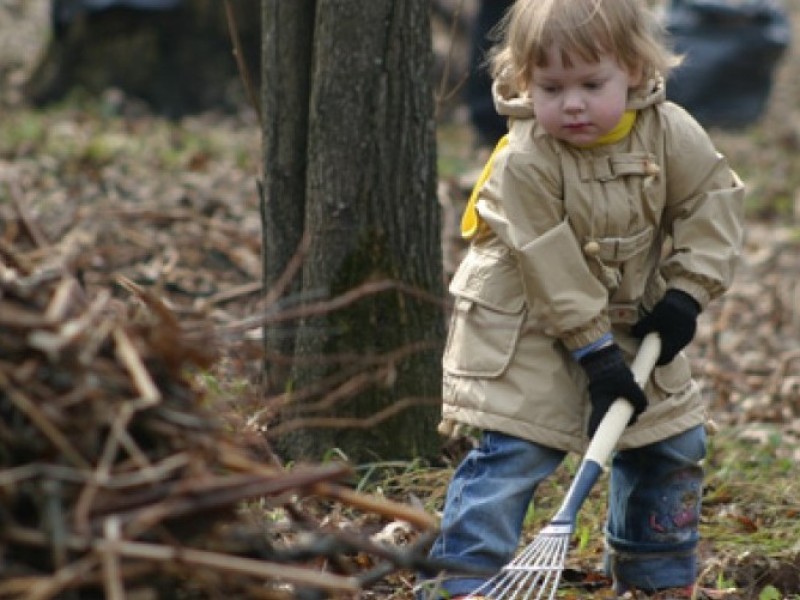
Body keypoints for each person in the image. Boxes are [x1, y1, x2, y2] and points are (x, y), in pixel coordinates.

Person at [417, 0, 744, 598]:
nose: (571, 103)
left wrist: (686, 296)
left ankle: (654, 576)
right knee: (513, 454)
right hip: (525, 334)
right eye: (551, 86)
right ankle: (461, 581)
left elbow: (712, 203)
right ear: (523, 81)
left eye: (592, 84)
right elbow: (548, 262)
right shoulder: (524, 160)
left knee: (672, 442)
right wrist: (595, 356)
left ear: (636, 69)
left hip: (633, 318)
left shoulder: (670, 130)